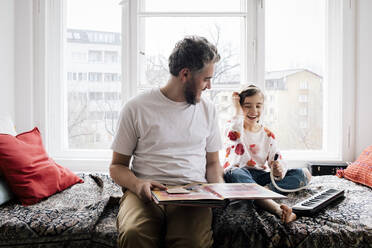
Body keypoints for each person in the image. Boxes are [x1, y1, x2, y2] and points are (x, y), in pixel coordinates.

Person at [109, 36, 224, 248]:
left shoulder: (208, 110)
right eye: (206, 79)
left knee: (193, 242)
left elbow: (213, 163)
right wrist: (137, 184)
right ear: (185, 74)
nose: (209, 86)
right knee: (134, 234)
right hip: (146, 191)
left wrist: (218, 190)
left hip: (192, 192)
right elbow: (117, 166)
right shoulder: (136, 107)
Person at [223, 85, 312, 223]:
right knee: (235, 173)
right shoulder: (234, 127)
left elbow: (276, 161)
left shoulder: (268, 134)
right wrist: (236, 109)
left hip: (259, 177)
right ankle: (277, 209)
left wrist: (278, 170)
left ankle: (260, 193)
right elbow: (234, 128)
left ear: (263, 107)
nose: (254, 111)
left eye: (258, 106)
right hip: (240, 174)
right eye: (247, 106)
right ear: (240, 108)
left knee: (304, 174)